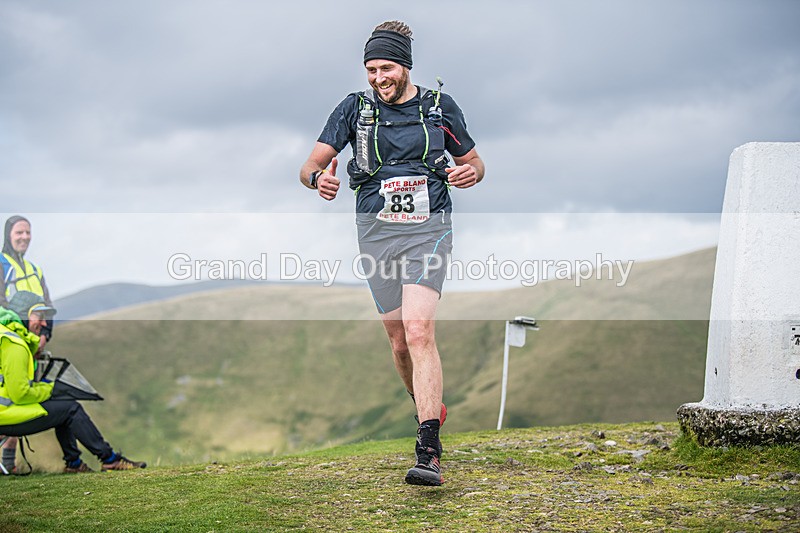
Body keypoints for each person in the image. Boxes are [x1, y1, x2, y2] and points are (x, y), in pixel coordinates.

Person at [299, 20, 484, 486]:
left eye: (385, 68)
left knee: (419, 330)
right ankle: (429, 407)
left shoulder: (439, 107)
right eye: (370, 69)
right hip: (376, 233)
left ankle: (428, 448)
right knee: (399, 340)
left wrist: (471, 175)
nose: (377, 78)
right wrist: (317, 180)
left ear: (405, 66)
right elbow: (309, 165)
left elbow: (474, 162)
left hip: (429, 228)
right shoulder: (353, 109)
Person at [0, 291, 146, 473]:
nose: (44, 323)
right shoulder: (15, 345)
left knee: (64, 406)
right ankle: (109, 460)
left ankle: (75, 464)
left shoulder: (6, 335)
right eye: (39, 316)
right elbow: (20, 394)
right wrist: (50, 389)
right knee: (70, 408)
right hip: (5, 415)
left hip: (5, 411)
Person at [0, 215, 55, 474]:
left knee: (21, 402)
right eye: (19, 232)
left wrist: (45, 335)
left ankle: (9, 464)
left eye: (28, 232)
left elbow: (47, 304)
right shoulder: (1, 265)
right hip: (10, 343)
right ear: (8, 235)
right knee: (8, 399)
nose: (24, 237)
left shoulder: (35, 269)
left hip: (33, 341)